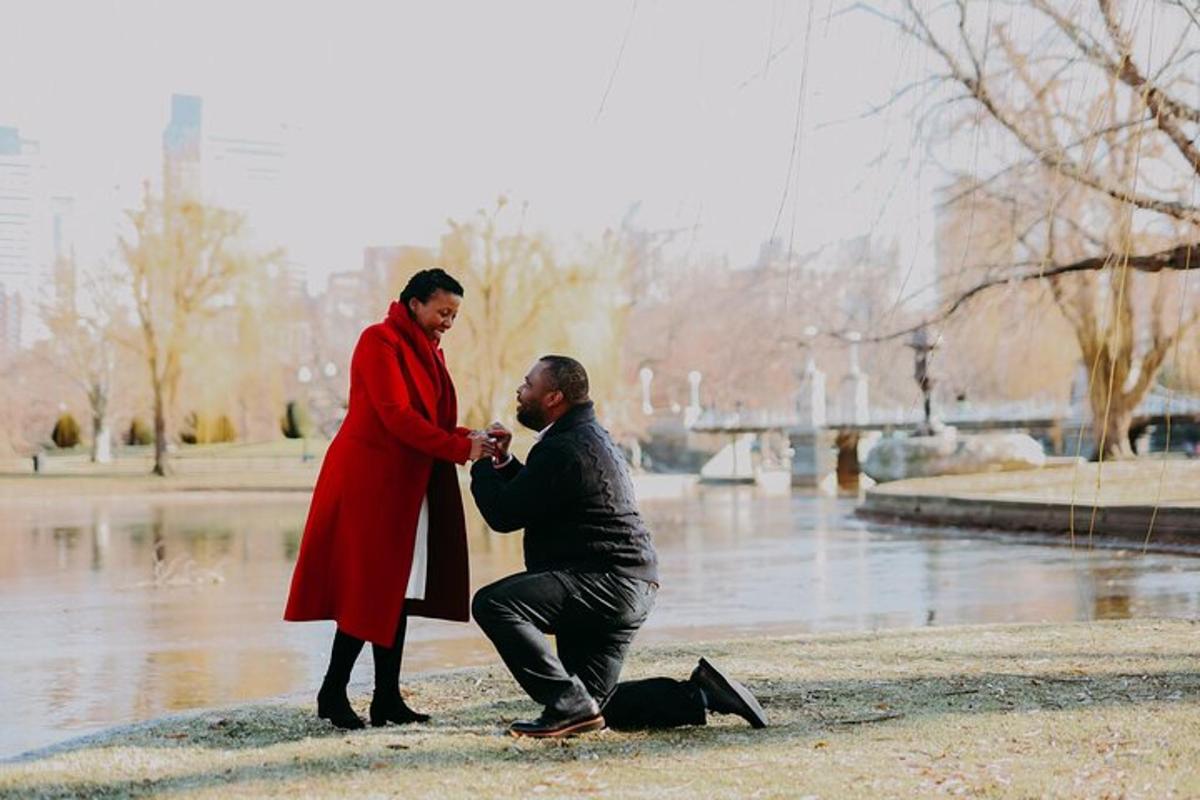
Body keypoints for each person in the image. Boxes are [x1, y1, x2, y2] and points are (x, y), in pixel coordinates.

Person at [470, 355, 767, 736]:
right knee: (595, 705)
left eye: (528, 385)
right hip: (628, 584)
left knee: (495, 603)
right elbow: (537, 495)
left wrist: (478, 463)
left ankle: (567, 703)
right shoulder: (583, 436)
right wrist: (504, 461)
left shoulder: (565, 446)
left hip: (606, 583)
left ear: (553, 397)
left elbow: (504, 515)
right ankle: (701, 694)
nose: (519, 390)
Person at [284, 268, 495, 730]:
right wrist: (461, 448)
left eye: (454, 315)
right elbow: (395, 415)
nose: (448, 322)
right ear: (415, 303)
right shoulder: (379, 341)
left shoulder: (428, 351)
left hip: (406, 484)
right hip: (370, 484)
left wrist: (472, 437)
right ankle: (333, 691)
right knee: (371, 587)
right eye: (443, 311)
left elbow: (429, 423)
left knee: (395, 589)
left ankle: (386, 699)